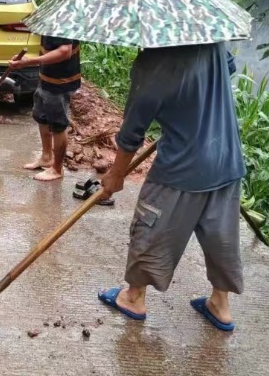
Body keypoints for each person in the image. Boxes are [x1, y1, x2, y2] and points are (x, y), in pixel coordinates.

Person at [97, 43, 244, 331]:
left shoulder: (152, 62)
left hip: (181, 168)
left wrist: (116, 175)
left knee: (150, 227)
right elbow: (228, 69)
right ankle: (220, 304)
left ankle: (134, 297)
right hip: (227, 156)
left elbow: (132, 131)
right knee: (220, 235)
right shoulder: (211, 41)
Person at [9, 0, 81, 182]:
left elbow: (64, 51)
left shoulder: (62, 9)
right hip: (48, 76)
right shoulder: (54, 3)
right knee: (41, 116)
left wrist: (30, 61)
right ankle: (46, 157)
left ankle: (57, 170)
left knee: (58, 124)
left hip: (61, 79)